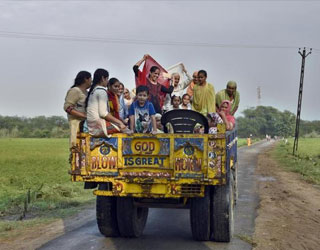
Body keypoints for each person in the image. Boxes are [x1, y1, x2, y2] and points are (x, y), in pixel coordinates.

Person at [86, 69, 130, 137]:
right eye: (107, 79)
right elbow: (103, 113)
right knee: (124, 129)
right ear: (103, 78)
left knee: (122, 126)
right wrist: (120, 122)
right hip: (99, 127)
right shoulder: (101, 91)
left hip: (92, 126)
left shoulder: (94, 91)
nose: (107, 81)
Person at [63, 71, 92, 148]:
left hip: (86, 125)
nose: (91, 81)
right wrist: (84, 115)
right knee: (77, 149)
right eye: (90, 79)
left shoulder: (86, 92)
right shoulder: (75, 91)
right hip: (76, 125)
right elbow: (67, 108)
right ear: (86, 79)